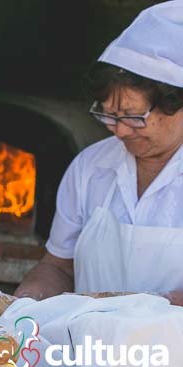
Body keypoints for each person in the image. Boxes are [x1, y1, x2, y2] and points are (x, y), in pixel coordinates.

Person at [15, 1, 183, 306]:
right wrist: (26, 302)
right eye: (108, 115)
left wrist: (148, 317)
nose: (118, 131)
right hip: (88, 348)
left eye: (133, 117)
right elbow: (57, 266)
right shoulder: (90, 167)